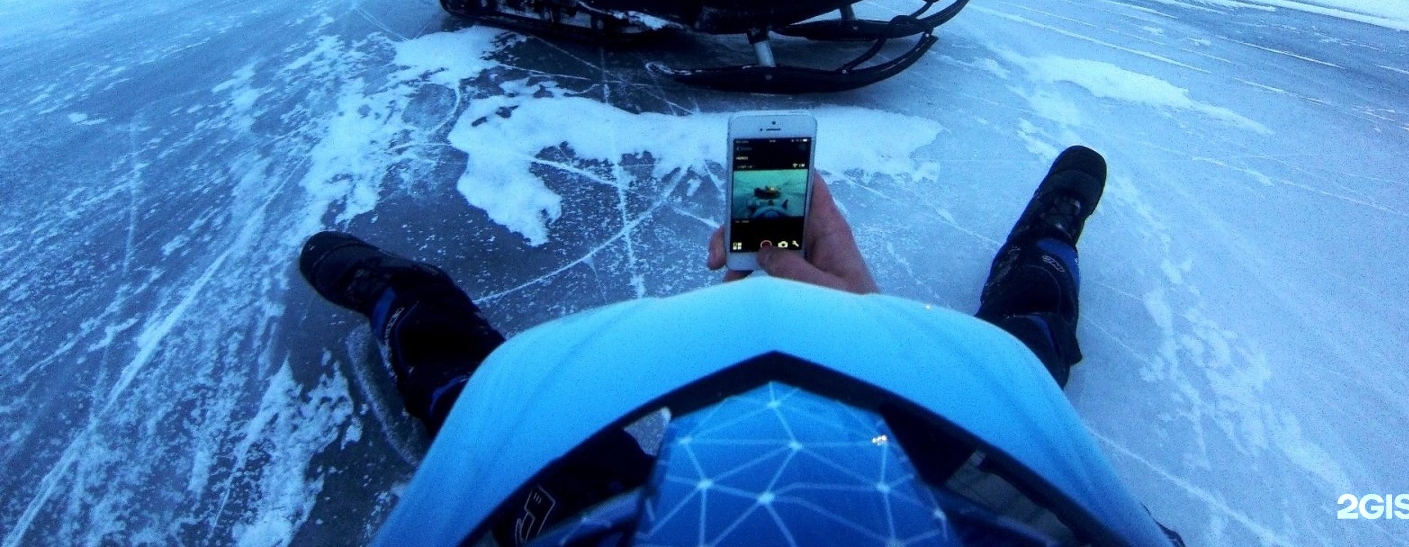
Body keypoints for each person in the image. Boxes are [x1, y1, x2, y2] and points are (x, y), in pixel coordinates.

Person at [299, 147, 1186, 546]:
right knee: (1023, 348)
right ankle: (1047, 238)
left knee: (482, 401)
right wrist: (882, 363)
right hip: (969, 513)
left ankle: (397, 292)